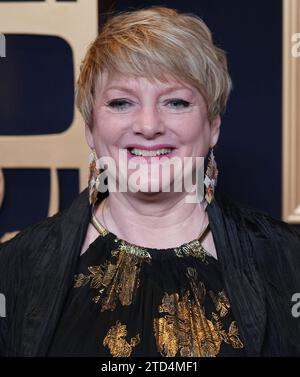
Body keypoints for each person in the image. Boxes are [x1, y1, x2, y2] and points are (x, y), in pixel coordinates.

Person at [1, 6, 300, 358]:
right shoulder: (13, 270)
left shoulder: (289, 262)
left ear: (212, 127)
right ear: (90, 129)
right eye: (121, 102)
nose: (148, 125)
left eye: (175, 102)